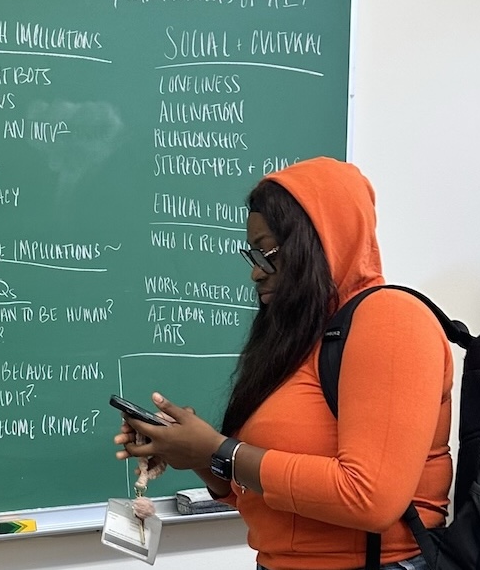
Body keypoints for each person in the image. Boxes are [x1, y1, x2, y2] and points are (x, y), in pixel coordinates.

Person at [114, 157, 453, 570]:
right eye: (253, 256)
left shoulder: (391, 320)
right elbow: (267, 494)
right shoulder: (300, 339)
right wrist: (197, 454)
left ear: (324, 239)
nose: (257, 274)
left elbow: (370, 499)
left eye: (269, 253)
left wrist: (221, 449)